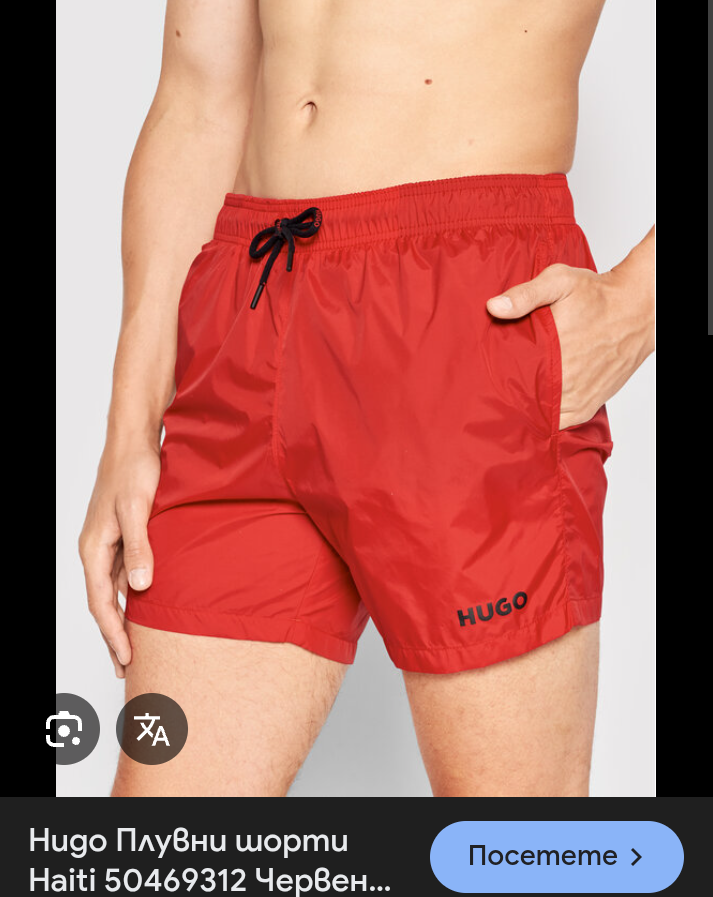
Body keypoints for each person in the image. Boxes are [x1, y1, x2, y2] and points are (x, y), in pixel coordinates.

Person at [78, 0, 654, 797]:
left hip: (461, 316)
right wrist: (130, 424)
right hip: (245, 321)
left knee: (513, 840)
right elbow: (199, 94)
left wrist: (637, 305)